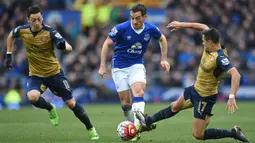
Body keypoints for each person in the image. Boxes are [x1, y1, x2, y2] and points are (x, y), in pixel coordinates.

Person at [135, 21, 249, 142]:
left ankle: (233, 133)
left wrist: (232, 96)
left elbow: (236, 75)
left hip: (205, 97)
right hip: (195, 89)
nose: (203, 43)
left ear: (210, 42)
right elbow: (203, 27)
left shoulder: (220, 58)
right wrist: (181, 25)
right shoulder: (209, 41)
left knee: (198, 134)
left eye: (204, 41)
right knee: (175, 106)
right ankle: (147, 121)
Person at [4, 5, 99, 141]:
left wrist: (62, 46)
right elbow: (10, 36)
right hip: (36, 75)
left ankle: (90, 128)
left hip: (54, 74)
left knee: (71, 104)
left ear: (42, 17)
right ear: (28, 20)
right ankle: (50, 108)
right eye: (33, 20)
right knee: (32, 97)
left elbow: (69, 46)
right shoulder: (22, 30)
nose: (37, 22)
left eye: (39, 19)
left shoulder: (50, 32)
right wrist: (8, 54)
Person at [98, 3, 170, 141]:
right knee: (126, 103)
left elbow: (162, 39)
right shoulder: (121, 28)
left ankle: (137, 129)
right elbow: (106, 43)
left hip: (136, 65)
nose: (135, 21)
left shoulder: (150, 29)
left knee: (139, 92)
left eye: (138, 18)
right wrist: (102, 65)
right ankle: (135, 123)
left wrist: (164, 59)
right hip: (119, 66)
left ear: (145, 17)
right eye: (132, 18)